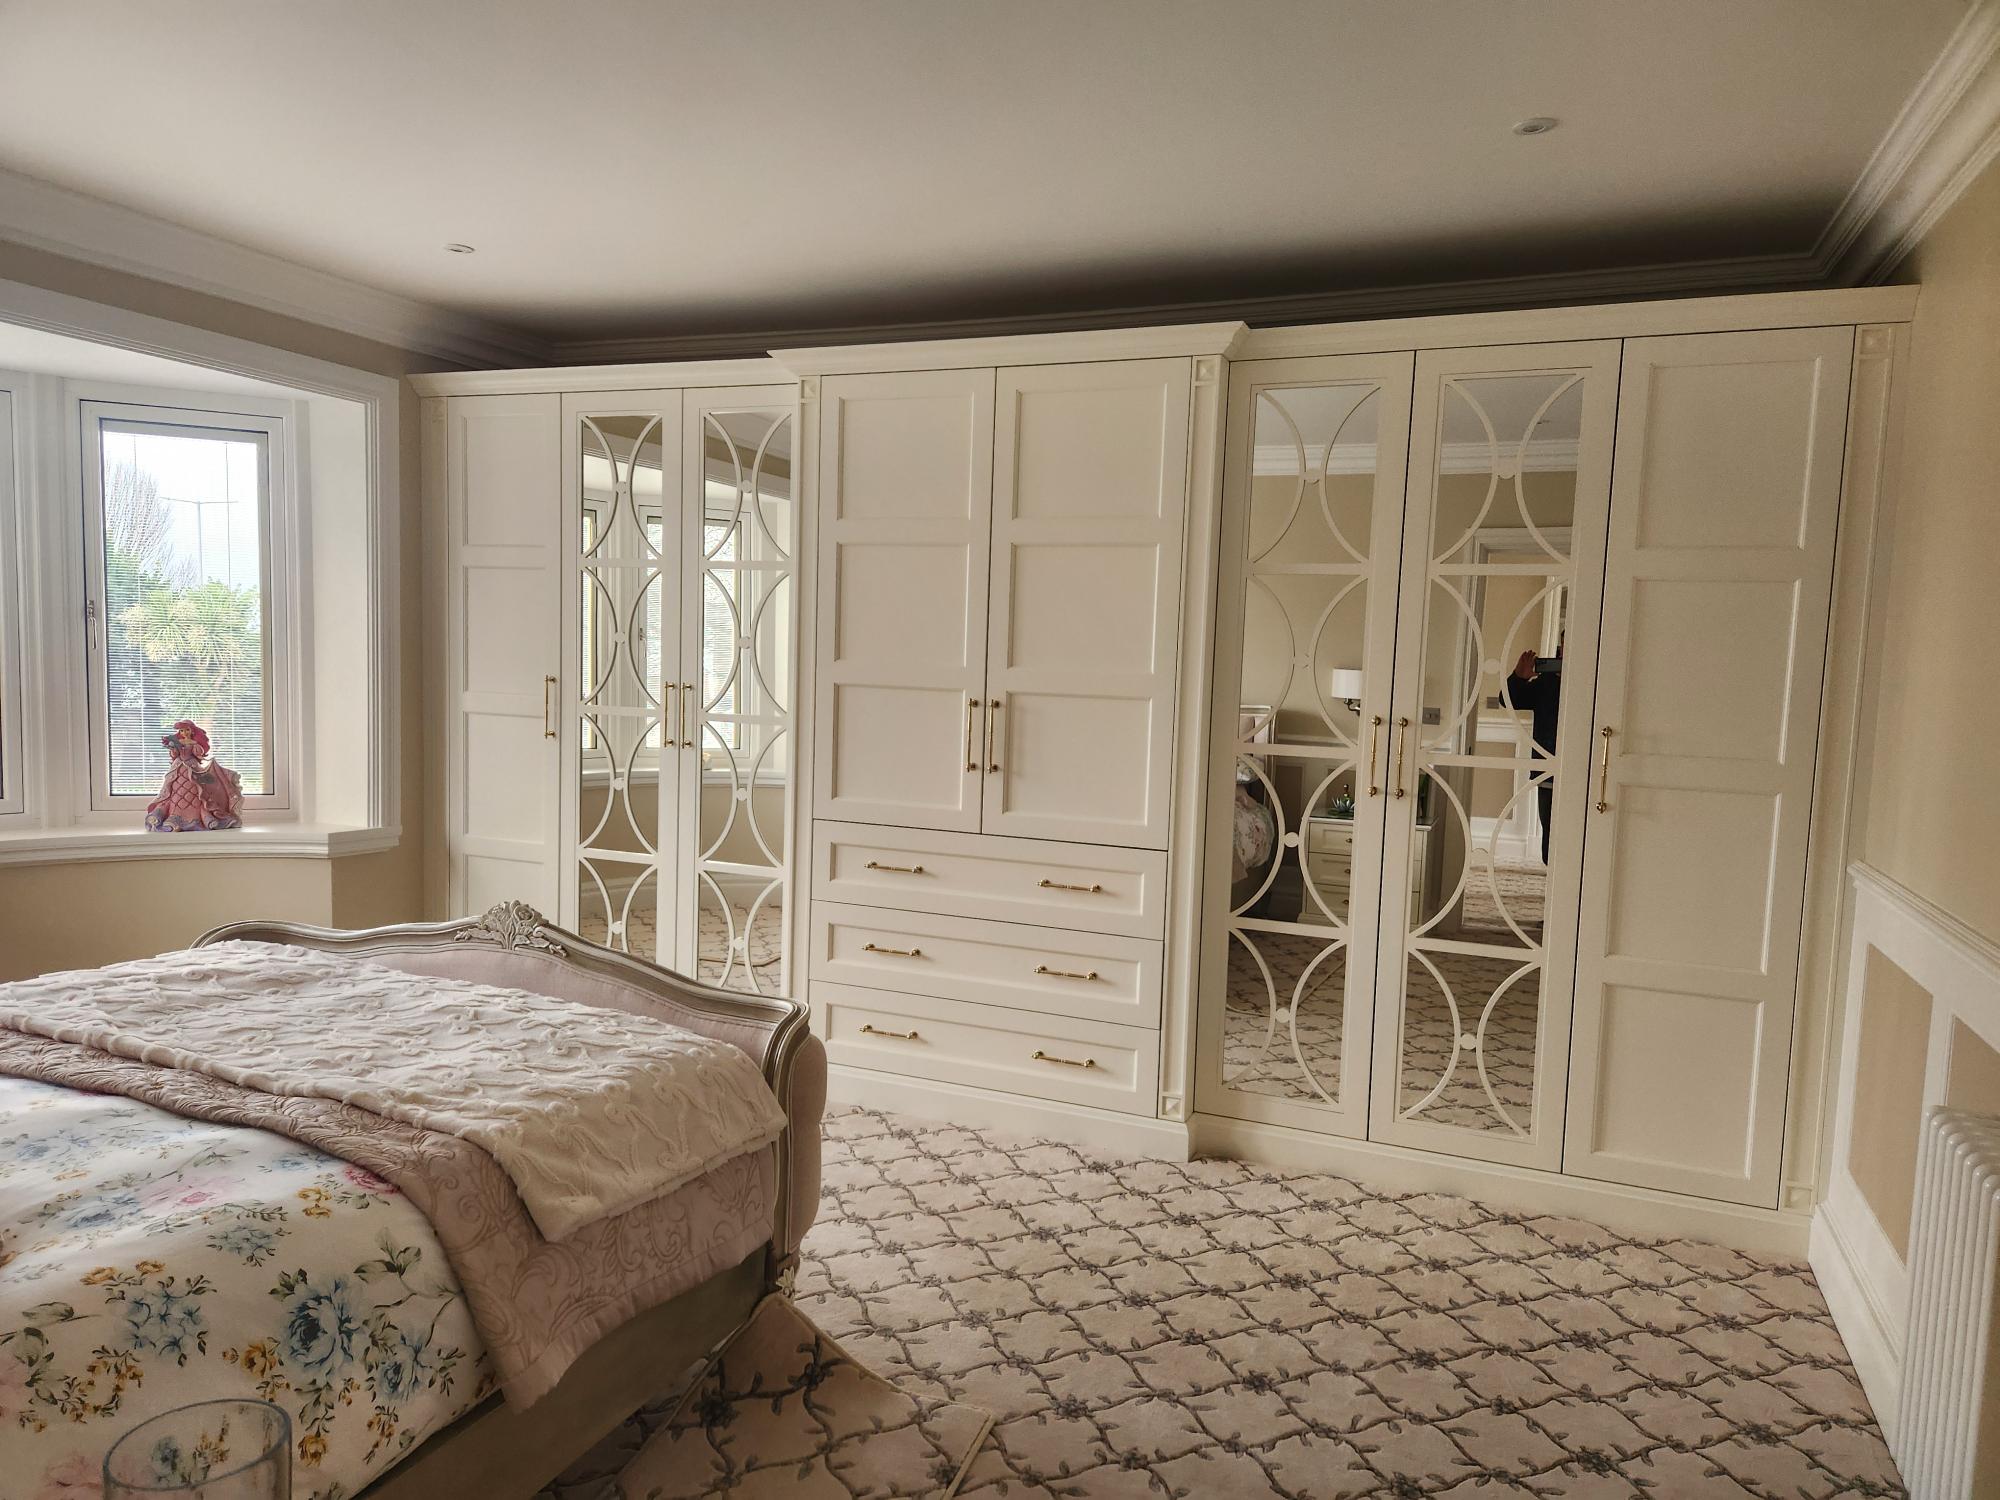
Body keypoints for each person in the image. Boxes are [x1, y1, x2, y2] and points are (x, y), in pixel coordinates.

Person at [1505, 644, 1560, 864]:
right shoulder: (1546, 683)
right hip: (1547, 767)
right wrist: (1519, 677)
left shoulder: (1597, 678)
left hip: (1588, 768)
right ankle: (1552, 883)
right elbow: (1510, 701)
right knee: (1550, 826)